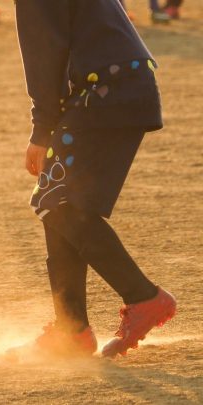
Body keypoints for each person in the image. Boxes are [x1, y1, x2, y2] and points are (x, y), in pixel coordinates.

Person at [13, 0, 176, 358]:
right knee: (58, 200)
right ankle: (71, 329)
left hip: (106, 91)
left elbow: (45, 53)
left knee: (58, 202)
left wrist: (41, 129)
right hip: (117, 85)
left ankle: (143, 297)